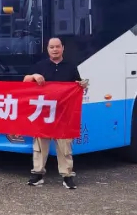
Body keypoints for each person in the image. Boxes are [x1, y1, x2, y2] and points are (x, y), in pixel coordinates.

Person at [24, 37, 89, 190]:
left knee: (65, 147)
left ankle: (67, 176)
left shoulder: (71, 67)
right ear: (48, 49)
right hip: (43, 113)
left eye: (57, 47)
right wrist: (34, 76)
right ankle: (38, 174)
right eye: (51, 47)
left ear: (62, 48)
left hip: (63, 114)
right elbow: (25, 81)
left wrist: (82, 85)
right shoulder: (40, 66)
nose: (55, 49)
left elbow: (77, 86)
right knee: (39, 146)